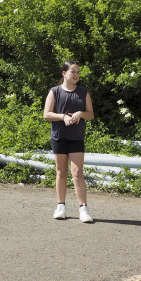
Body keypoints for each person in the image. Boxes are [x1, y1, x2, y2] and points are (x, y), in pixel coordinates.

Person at [43, 60, 95, 223]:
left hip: (76, 138)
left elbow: (91, 114)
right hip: (59, 137)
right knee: (61, 172)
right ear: (64, 74)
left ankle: (83, 209)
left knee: (78, 173)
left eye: (78, 72)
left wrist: (80, 113)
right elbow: (47, 114)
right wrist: (63, 116)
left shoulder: (83, 92)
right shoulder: (54, 92)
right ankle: (61, 207)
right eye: (73, 72)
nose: (77, 75)